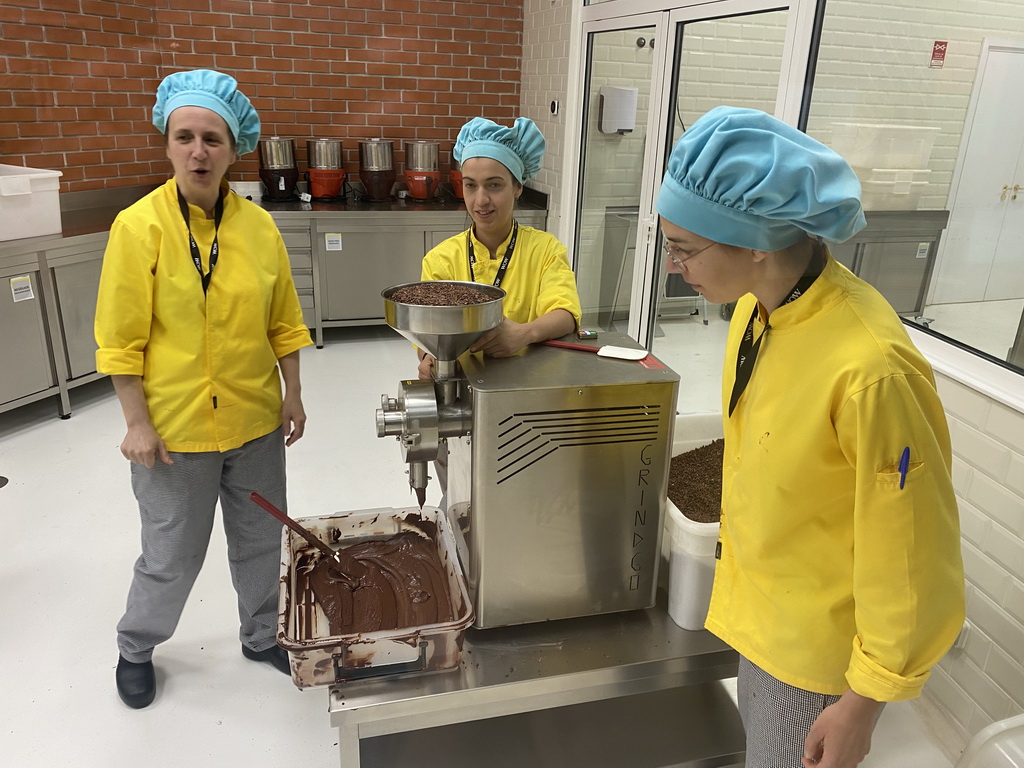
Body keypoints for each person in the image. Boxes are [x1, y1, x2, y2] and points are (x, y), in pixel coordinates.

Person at [655, 106, 965, 768]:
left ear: (755, 240)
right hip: (764, 616)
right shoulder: (756, 312)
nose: (673, 265)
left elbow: (911, 556)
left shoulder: (870, 370)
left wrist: (860, 704)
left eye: (683, 247)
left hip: (813, 659)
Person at [94, 69, 313, 709]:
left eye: (212, 139)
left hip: (253, 421)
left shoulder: (260, 228)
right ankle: (136, 646)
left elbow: (284, 320)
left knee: (259, 542)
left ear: (232, 148)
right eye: (184, 137)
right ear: (166, 145)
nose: (198, 151)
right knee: (170, 556)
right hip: (172, 433)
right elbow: (120, 338)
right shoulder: (138, 228)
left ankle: (259, 634)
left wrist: (292, 394)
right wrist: (135, 422)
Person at [417, 116, 581, 380]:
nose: (481, 200)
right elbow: (426, 331)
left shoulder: (545, 250)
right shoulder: (441, 259)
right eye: (470, 185)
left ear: (517, 187)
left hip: (529, 380)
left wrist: (524, 334)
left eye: (494, 185)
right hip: (461, 384)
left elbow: (566, 315)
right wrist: (428, 359)